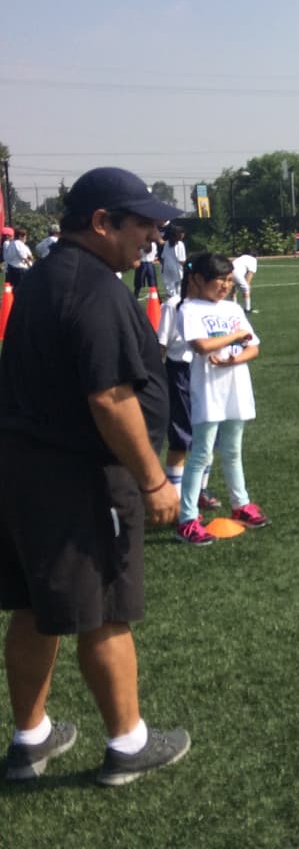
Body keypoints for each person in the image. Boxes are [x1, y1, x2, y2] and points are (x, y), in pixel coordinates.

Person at [0, 166, 191, 785]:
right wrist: (155, 481)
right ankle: (127, 745)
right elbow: (109, 397)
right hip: (80, 477)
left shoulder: (44, 277)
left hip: (26, 470)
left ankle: (30, 739)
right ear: (101, 223)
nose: (153, 233)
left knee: (33, 606)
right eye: (141, 222)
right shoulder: (95, 287)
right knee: (105, 609)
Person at [176, 253, 269, 541]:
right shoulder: (189, 309)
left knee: (232, 451)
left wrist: (234, 358)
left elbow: (253, 347)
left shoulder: (233, 310)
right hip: (208, 392)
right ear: (199, 280)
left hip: (236, 389)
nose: (226, 286)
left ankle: (240, 505)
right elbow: (202, 345)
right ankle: (187, 518)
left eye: (229, 280)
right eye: (220, 280)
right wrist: (235, 337)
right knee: (201, 454)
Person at [157, 287, 222, 528]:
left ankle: (200, 491)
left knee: (208, 434)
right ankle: (175, 499)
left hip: (207, 372)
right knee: (182, 437)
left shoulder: (213, 306)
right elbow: (161, 344)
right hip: (180, 374)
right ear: (196, 279)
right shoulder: (173, 305)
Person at [159, 226, 186, 299]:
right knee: (179, 289)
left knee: (170, 290)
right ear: (179, 234)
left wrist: (163, 269)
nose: (184, 235)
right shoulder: (180, 244)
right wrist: (188, 267)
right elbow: (181, 260)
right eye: (183, 233)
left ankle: (170, 303)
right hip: (176, 269)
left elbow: (163, 257)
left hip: (167, 269)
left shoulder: (167, 243)